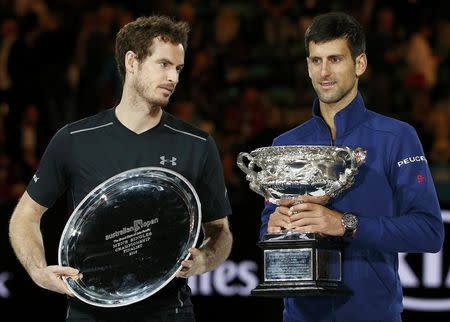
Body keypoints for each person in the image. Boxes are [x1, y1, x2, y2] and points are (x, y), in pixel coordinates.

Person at [8, 15, 233, 322]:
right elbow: (25, 216)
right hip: (90, 312)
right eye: (164, 64)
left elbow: (221, 231)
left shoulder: (197, 144)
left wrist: (204, 260)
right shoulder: (73, 139)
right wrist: (38, 272)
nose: (174, 78)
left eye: (178, 68)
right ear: (132, 61)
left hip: (170, 312)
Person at [261, 12, 444, 322]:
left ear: (360, 64)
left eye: (335, 59)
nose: (324, 72)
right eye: (316, 60)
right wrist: (274, 226)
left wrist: (346, 224)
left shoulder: (396, 137)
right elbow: (268, 224)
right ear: (307, 66)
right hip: (301, 316)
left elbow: (429, 232)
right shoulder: (285, 144)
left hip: (371, 314)